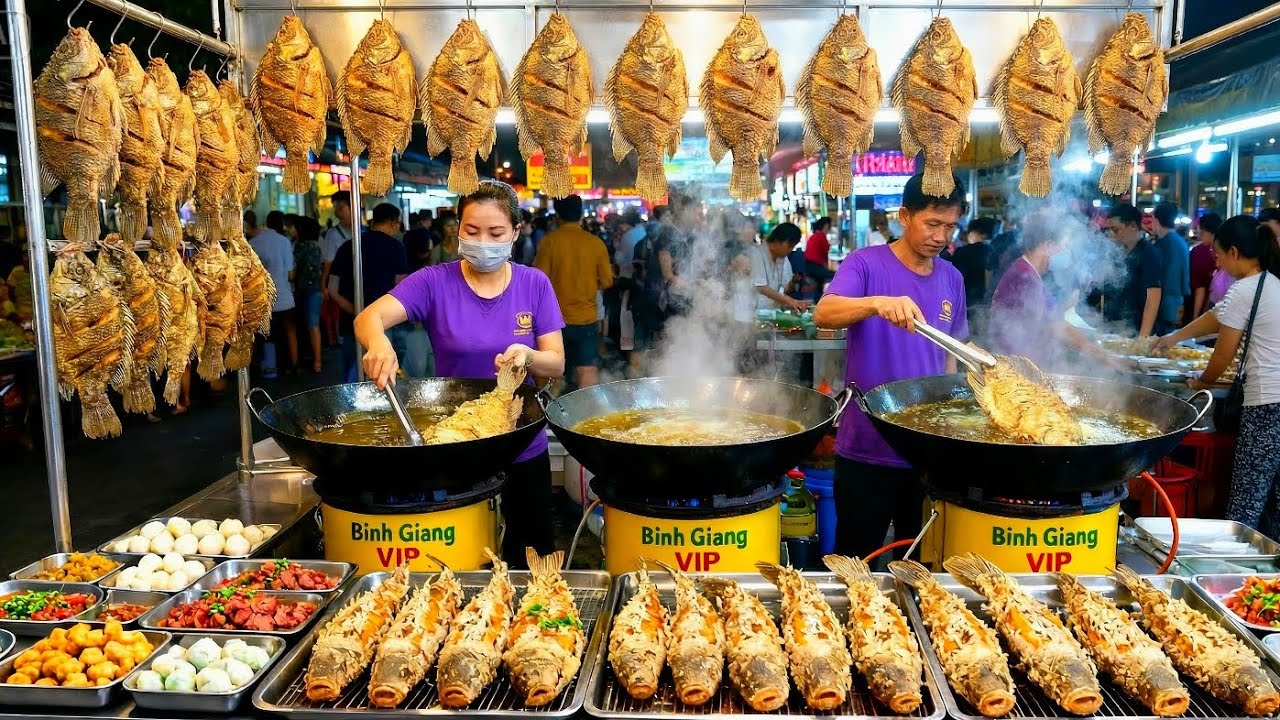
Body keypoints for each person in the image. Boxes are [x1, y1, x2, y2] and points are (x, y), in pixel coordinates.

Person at [354, 181, 565, 567]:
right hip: (458, 447)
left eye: (496, 233)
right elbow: (368, 317)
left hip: (521, 444)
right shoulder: (433, 281)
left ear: (516, 232)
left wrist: (529, 356)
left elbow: (556, 362)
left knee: (532, 564)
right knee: (464, 563)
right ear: (458, 228)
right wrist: (378, 341)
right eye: (472, 230)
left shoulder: (534, 283)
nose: (483, 241)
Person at [814, 172, 969, 560]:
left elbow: (952, 353)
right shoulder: (865, 264)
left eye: (950, 226)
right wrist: (876, 303)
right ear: (904, 215)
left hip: (928, 452)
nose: (941, 236)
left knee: (919, 564)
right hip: (867, 446)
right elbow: (824, 313)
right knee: (856, 560)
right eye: (932, 223)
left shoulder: (952, 278)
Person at [1154, 216, 1280, 534]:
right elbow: (1216, 317)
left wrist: (1203, 381)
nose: (1217, 263)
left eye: (1219, 255)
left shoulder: (1245, 289)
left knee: (1247, 497)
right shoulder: (1270, 283)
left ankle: (1235, 556)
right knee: (1274, 496)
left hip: (1267, 404)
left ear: (1234, 252)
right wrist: (1174, 337)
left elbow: (1222, 355)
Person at [988, 214, 1114, 368]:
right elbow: (1057, 326)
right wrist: (1101, 355)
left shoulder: (1027, 271)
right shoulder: (1024, 277)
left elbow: (1052, 315)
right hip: (1016, 365)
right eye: (1064, 247)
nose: (1067, 254)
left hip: (1021, 361)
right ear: (1048, 246)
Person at [534, 194, 613, 389]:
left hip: (554, 320)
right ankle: (585, 407)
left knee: (554, 372)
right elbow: (607, 281)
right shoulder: (595, 243)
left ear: (557, 215)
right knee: (587, 369)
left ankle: (552, 406)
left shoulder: (549, 242)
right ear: (581, 214)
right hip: (587, 318)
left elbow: (538, 280)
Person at [329, 203, 410, 382]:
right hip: (387, 325)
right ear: (394, 223)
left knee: (352, 378)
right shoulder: (396, 247)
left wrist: (358, 312)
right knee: (386, 377)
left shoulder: (348, 246)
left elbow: (332, 289)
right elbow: (402, 289)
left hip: (351, 323)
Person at [248, 210, 298, 377]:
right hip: (284, 295)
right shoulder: (285, 242)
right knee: (290, 331)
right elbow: (291, 273)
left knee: (260, 334)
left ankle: (257, 367)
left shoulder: (254, 242)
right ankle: (293, 365)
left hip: (262, 296)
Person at [1100, 203, 1162, 336]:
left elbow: (1153, 297)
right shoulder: (1114, 253)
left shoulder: (1149, 254)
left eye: (1115, 230)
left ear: (1133, 226)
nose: (1110, 235)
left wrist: (1143, 337)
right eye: (1108, 230)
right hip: (1112, 328)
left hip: (1136, 329)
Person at [321, 192, 356, 348]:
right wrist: (324, 285)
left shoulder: (364, 230)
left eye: (340, 207)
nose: (336, 211)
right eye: (335, 207)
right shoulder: (333, 233)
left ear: (352, 207)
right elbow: (328, 262)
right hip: (342, 282)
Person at [1151, 202, 1190, 335]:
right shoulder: (1181, 242)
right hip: (1176, 303)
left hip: (1162, 307)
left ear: (1156, 220)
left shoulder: (1162, 245)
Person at [751, 223, 808, 313]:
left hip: (772, 313)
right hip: (753, 313)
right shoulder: (756, 254)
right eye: (789, 246)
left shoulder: (783, 259)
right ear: (777, 241)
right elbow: (761, 287)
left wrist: (793, 300)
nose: (790, 250)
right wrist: (790, 301)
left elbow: (784, 289)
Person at [293, 216, 325, 373]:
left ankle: (315, 361)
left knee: (310, 325)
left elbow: (295, 269)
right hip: (315, 289)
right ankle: (317, 362)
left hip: (304, 289)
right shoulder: (316, 246)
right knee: (313, 325)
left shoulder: (300, 247)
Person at [951, 216, 994, 309]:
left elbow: (954, 278)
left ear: (973, 233)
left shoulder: (962, 252)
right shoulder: (991, 251)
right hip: (985, 302)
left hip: (965, 301)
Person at [1190, 213, 1222, 318]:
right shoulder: (1226, 251)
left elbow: (1200, 289)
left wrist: (1195, 318)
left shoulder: (1199, 252)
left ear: (1203, 230)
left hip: (1209, 309)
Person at [803, 217, 835, 292]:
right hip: (815, 268)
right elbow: (825, 254)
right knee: (837, 275)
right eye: (830, 225)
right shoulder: (821, 236)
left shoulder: (814, 235)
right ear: (826, 226)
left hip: (808, 267)